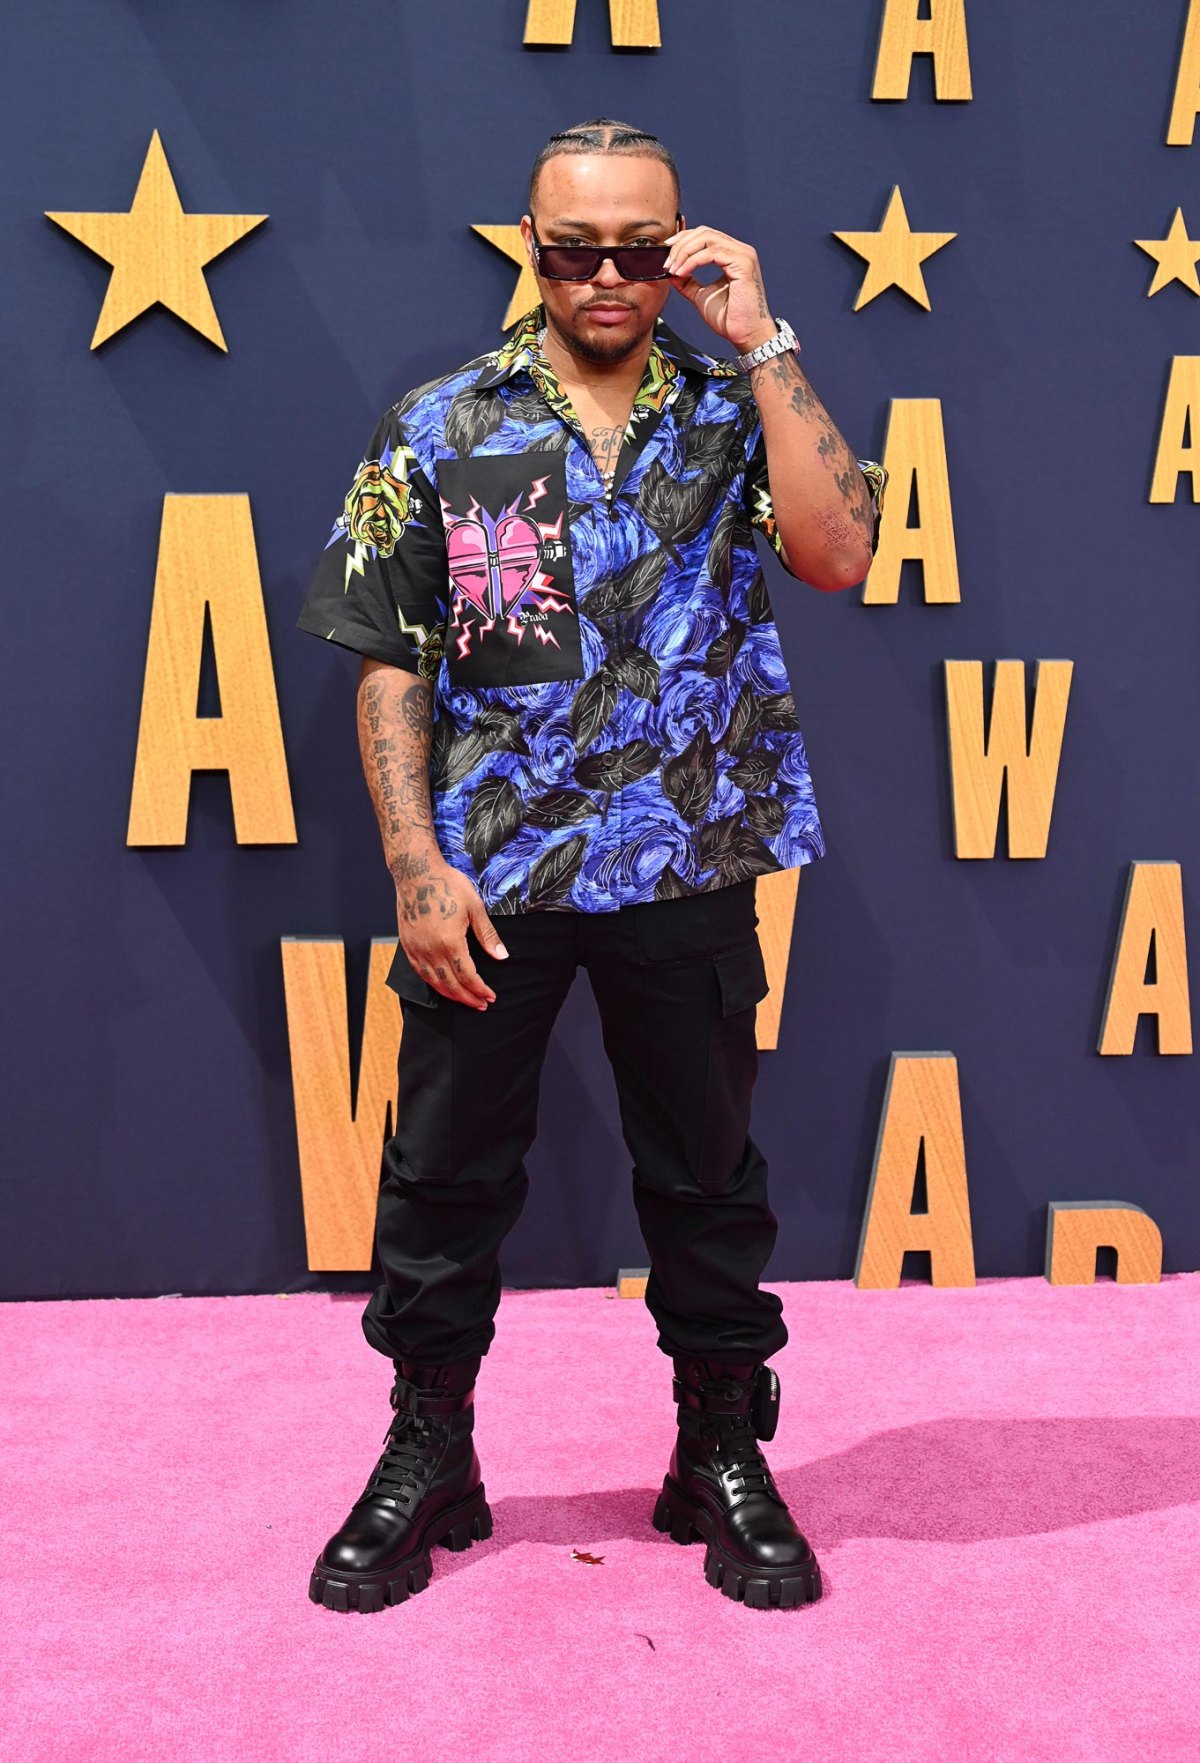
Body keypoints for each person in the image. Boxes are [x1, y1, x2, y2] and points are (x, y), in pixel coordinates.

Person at [297, 118, 888, 1615]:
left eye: (642, 249)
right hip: (494, 875)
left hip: (689, 859)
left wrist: (765, 340)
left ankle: (721, 1450)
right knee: (442, 1178)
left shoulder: (733, 405)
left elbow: (840, 555)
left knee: (708, 1180)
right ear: (532, 249)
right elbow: (388, 660)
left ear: (683, 251)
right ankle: (430, 1449)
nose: (609, 275)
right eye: (576, 249)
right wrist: (415, 866)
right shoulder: (444, 423)